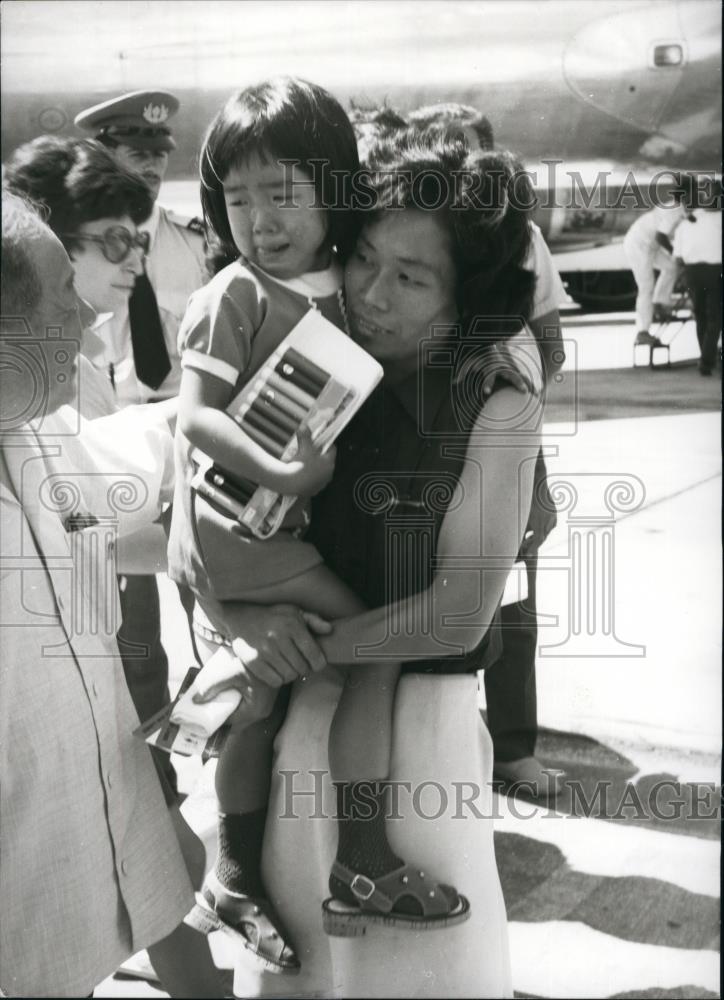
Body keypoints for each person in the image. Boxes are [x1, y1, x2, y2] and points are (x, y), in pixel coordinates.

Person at [189, 128, 544, 998]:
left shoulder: (493, 401)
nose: (373, 295)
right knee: (304, 975)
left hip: (414, 741)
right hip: (294, 728)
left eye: (412, 278)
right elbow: (206, 510)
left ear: (467, 299)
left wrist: (295, 646)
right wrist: (235, 621)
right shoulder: (314, 353)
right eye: (364, 261)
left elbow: (460, 611)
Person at [169, 78, 470, 975]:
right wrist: (286, 470)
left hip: (263, 538)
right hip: (247, 535)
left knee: (260, 705)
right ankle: (363, 858)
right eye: (238, 195)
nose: (258, 217)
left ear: (333, 188)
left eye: (282, 192)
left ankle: (230, 872)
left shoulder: (341, 283)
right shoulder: (236, 294)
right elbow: (193, 418)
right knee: (374, 650)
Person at [0, 192, 226, 997]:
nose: (93, 323)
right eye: (64, 300)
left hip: (76, 871)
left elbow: (95, 522)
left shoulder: (35, 427)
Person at [3, 136, 179, 791]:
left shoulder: (74, 359)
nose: (135, 258)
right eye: (113, 241)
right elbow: (85, 533)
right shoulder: (36, 379)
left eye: (139, 240)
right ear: (45, 239)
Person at [404, 101, 568, 797]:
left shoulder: (521, 238)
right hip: (413, 448)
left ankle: (512, 745)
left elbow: (550, 345)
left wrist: (498, 393)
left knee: (511, 602)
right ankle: (429, 755)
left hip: (496, 435)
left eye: (466, 152)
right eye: (438, 152)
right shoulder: (404, 235)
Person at [74, 88, 209, 775]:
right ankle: (150, 782)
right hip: (110, 445)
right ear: (104, 154)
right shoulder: (80, 247)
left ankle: (215, 753)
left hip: (189, 444)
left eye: (160, 157)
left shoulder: (193, 240)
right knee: (130, 639)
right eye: (136, 154)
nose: (152, 169)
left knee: (210, 606)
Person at [623, 182, 689, 348]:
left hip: (650, 245)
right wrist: (676, 253)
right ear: (687, 196)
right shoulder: (675, 210)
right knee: (646, 287)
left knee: (671, 267)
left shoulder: (678, 207)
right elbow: (661, 237)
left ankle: (659, 303)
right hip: (639, 244)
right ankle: (642, 332)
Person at [673, 178, 722, 376]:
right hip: (714, 272)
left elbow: (678, 257)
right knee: (715, 318)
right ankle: (706, 360)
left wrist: (681, 278)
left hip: (692, 274)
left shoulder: (688, 220)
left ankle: (705, 359)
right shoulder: (719, 219)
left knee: (701, 316)